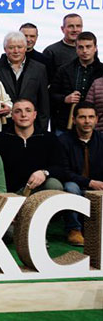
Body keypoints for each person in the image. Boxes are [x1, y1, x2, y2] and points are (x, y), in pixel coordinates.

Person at [0, 99, 64, 195]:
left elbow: (61, 168)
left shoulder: (49, 138)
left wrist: (44, 173)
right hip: (10, 193)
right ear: (12, 115)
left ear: (35, 115)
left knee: (54, 184)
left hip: (39, 191)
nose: (23, 115)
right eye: (18, 111)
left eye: (28, 110)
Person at [58, 102, 103, 247]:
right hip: (75, 184)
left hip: (98, 184)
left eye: (91, 117)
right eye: (82, 117)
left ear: (97, 119)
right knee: (70, 188)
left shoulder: (101, 140)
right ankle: (74, 230)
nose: (87, 121)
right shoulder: (63, 140)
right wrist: (89, 182)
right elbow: (64, 172)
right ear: (74, 119)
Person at [0, 32, 50, 130]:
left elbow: (43, 103)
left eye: (19, 47)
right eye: (11, 47)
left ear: (25, 48)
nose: (16, 51)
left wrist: (42, 129)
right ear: (5, 49)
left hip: (31, 126)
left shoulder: (39, 69)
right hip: (2, 125)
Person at [50, 31, 103, 134]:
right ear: (76, 48)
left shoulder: (102, 70)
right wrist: (65, 99)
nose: (85, 51)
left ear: (95, 48)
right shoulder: (64, 70)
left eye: (88, 47)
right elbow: (51, 94)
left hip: (95, 127)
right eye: (81, 47)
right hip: (66, 124)